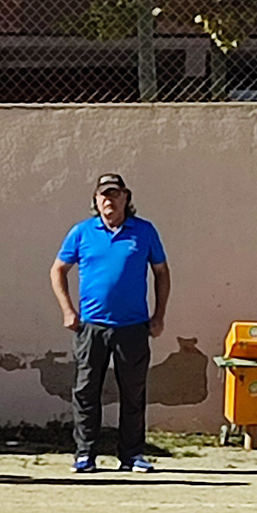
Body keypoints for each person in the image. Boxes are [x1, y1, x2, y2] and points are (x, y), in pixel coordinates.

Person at [50, 172, 171, 474]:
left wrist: (159, 316)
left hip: (133, 327)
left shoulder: (144, 232)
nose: (109, 199)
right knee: (87, 390)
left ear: (126, 198)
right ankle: (85, 454)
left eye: (115, 194)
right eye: (103, 194)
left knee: (133, 391)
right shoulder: (82, 232)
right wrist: (68, 310)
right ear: (95, 200)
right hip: (92, 327)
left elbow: (162, 273)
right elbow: (57, 271)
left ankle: (131, 455)